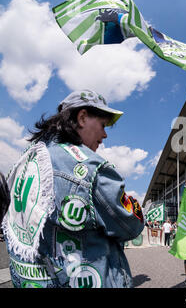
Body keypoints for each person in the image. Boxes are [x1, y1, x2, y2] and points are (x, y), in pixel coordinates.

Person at [2, 89, 144, 288]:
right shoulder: (91, 167)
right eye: (103, 125)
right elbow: (131, 225)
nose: (104, 135)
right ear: (83, 117)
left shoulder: (26, 158)